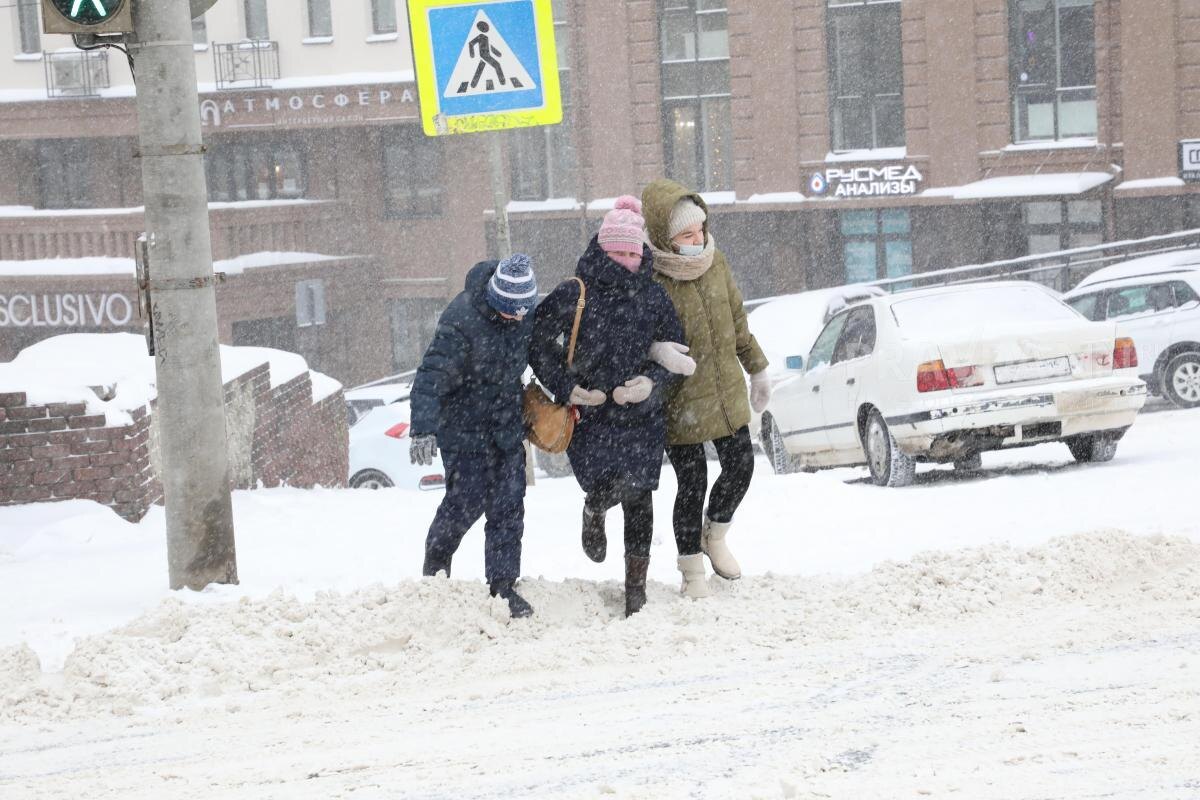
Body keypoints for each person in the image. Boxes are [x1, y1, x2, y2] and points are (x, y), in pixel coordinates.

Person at [529, 196, 689, 617]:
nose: (627, 262)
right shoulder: (575, 292)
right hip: (592, 416)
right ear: (603, 250)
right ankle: (594, 508)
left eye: (633, 254)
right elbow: (537, 343)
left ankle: (636, 591)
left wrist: (650, 385)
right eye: (619, 253)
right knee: (610, 484)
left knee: (641, 496)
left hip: (641, 417)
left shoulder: (653, 296)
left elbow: (676, 354)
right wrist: (568, 387)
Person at [641, 180, 771, 599]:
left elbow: (737, 321)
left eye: (700, 230)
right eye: (686, 234)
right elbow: (638, 336)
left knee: (741, 466)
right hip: (679, 399)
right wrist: (656, 350)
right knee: (691, 482)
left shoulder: (716, 261)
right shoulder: (650, 276)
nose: (697, 240)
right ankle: (691, 569)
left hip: (724, 389)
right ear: (665, 237)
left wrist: (757, 368)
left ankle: (714, 535)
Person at [409, 254, 539, 618]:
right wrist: (422, 428)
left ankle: (503, 587)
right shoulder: (461, 320)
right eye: (511, 312)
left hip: (505, 428)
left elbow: (544, 355)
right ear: (496, 299)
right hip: (463, 431)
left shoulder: (525, 315)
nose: (518, 318)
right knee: (465, 502)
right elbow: (430, 376)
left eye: (523, 311)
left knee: (508, 507)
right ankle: (436, 570)